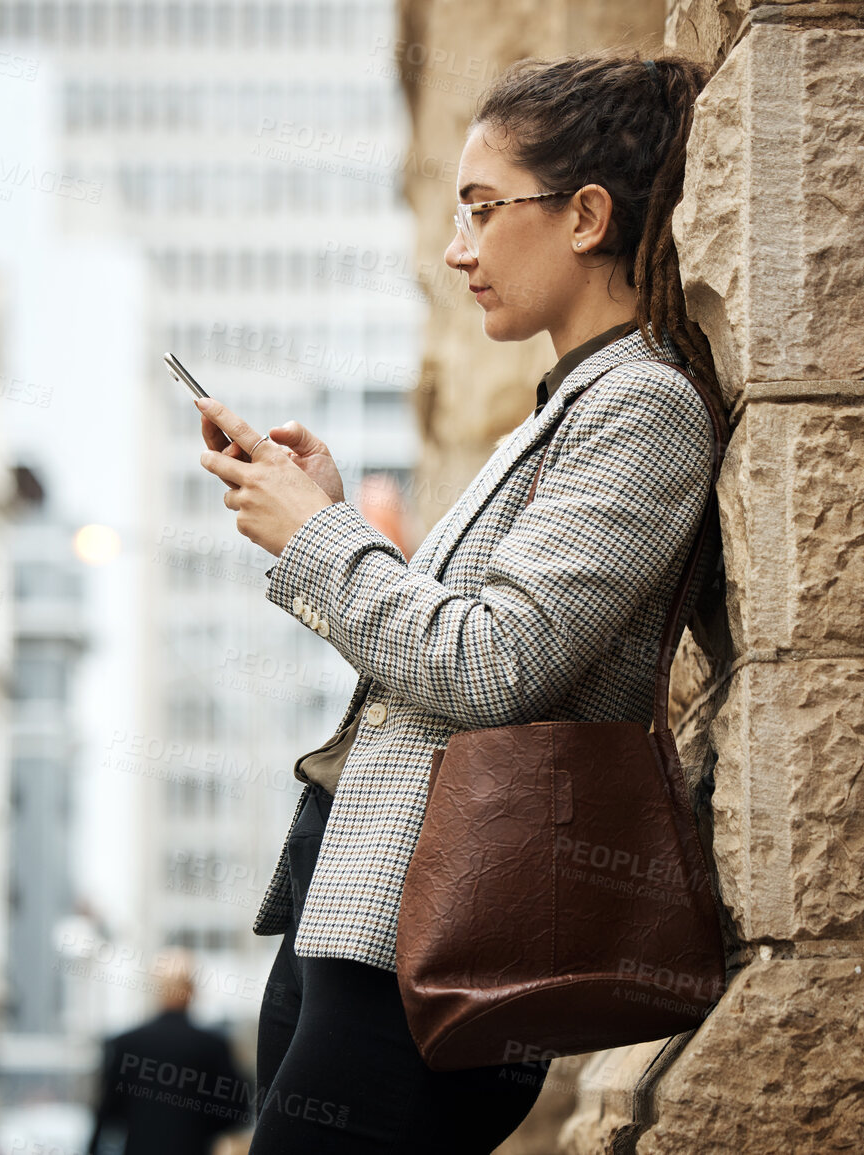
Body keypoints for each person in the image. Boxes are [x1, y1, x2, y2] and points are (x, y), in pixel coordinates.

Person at [191, 52, 719, 1155]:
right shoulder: (568, 402)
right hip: (359, 911)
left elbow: (492, 666)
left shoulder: (644, 407)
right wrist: (333, 514)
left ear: (585, 216)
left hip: (441, 942)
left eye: (483, 208)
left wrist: (320, 538)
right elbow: (454, 646)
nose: (457, 247)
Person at [86, 948, 252, 1155]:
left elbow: (106, 1110)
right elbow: (238, 1109)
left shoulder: (126, 1044)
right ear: (191, 991)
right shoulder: (213, 1046)